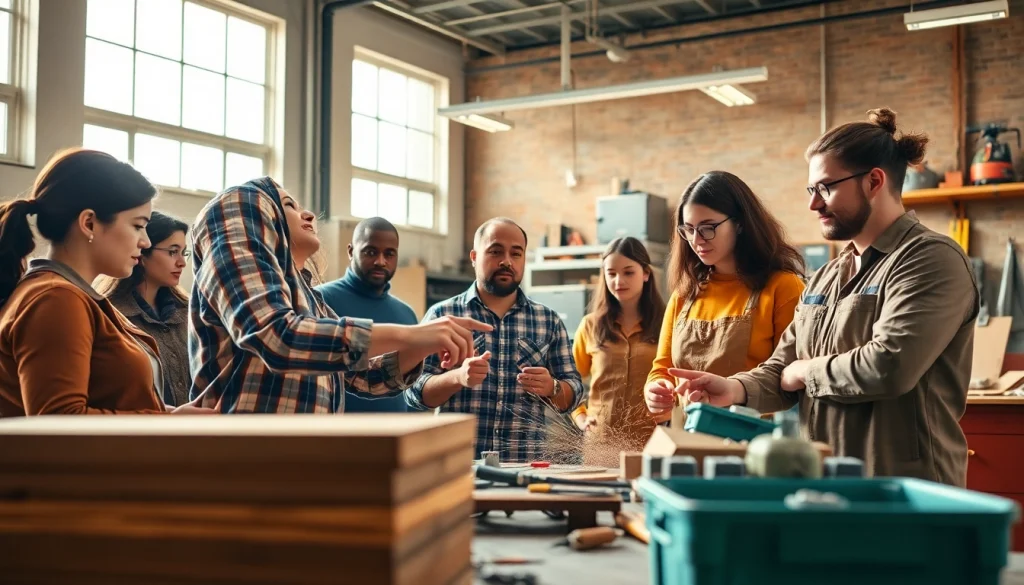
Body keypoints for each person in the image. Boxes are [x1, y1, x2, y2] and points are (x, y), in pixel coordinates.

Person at [673, 108, 979, 487]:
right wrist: (734, 388)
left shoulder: (929, 259)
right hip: (823, 484)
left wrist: (807, 372)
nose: (813, 204)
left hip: (903, 490)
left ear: (874, 181)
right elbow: (781, 366)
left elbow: (889, 366)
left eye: (825, 188)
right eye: (811, 190)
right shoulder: (825, 278)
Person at [188, 176, 490, 413]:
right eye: (289, 205)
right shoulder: (241, 201)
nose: (307, 213)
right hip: (242, 466)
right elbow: (276, 335)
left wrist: (425, 341)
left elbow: (366, 379)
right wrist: (412, 335)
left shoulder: (310, 300)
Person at [0, 148, 211, 416]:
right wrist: (164, 422)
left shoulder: (70, 295)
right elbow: (59, 422)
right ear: (89, 223)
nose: (145, 241)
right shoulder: (56, 298)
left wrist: (170, 415)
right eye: (137, 225)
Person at [407, 217, 584, 462]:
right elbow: (415, 392)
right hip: (457, 466)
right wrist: (457, 377)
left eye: (516, 254)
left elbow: (573, 393)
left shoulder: (548, 321)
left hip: (526, 469)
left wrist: (552, 387)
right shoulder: (442, 316)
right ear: (474, 257)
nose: (506, 261)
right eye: (495, 251)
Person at [644, 171, 806, 427]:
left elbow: (789, 378)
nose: (697, 240)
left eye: (708, 228)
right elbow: (662, 367)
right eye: (688, 229)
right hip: (687, 438)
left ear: (740, 223)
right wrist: (656, 390)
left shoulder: (783, 288)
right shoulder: (684, 295)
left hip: (755, 443)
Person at [570, 237, 666, 464]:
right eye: (610, 273)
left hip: (654, 444)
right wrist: (581, 418)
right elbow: (570, 381)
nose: (618, 280)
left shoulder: (667, 324)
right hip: (600, 444)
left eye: (628, 272)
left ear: (646, 273)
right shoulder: (590, 325)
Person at [317, 217, 418, 413]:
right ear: (351, 251)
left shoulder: (407, 314)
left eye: (389, 254)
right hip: (337, 438)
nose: (381, 261)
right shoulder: (320, 300)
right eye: (371, 252)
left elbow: (410, 391)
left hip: (396, 438)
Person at [96, 211, 191, 406]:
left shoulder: (191, 312)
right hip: (137, 433)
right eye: (173, 251)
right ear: (143, 252)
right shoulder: (108, 313)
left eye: (184, 252)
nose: (182, 262)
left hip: (196, 432)